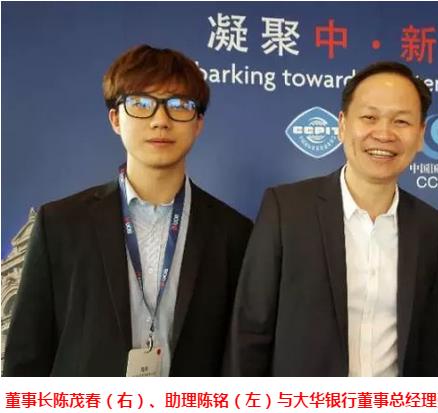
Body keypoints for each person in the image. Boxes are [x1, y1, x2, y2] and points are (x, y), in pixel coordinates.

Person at [3, 44, 252, 376]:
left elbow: (241, 357)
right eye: (141, 104)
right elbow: (26, 359)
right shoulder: (60, 224)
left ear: (198, 123)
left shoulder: (235, 232)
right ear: (115, 119)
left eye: (179, 105)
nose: (160, 121)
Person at [229, 61, 438, 376]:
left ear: (421, 135)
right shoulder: (287, 210)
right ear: (343, 125)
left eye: (401, 121)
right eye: (369, 117)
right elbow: (250, 331)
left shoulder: (430, 226)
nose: (384, 134)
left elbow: (429, 346)